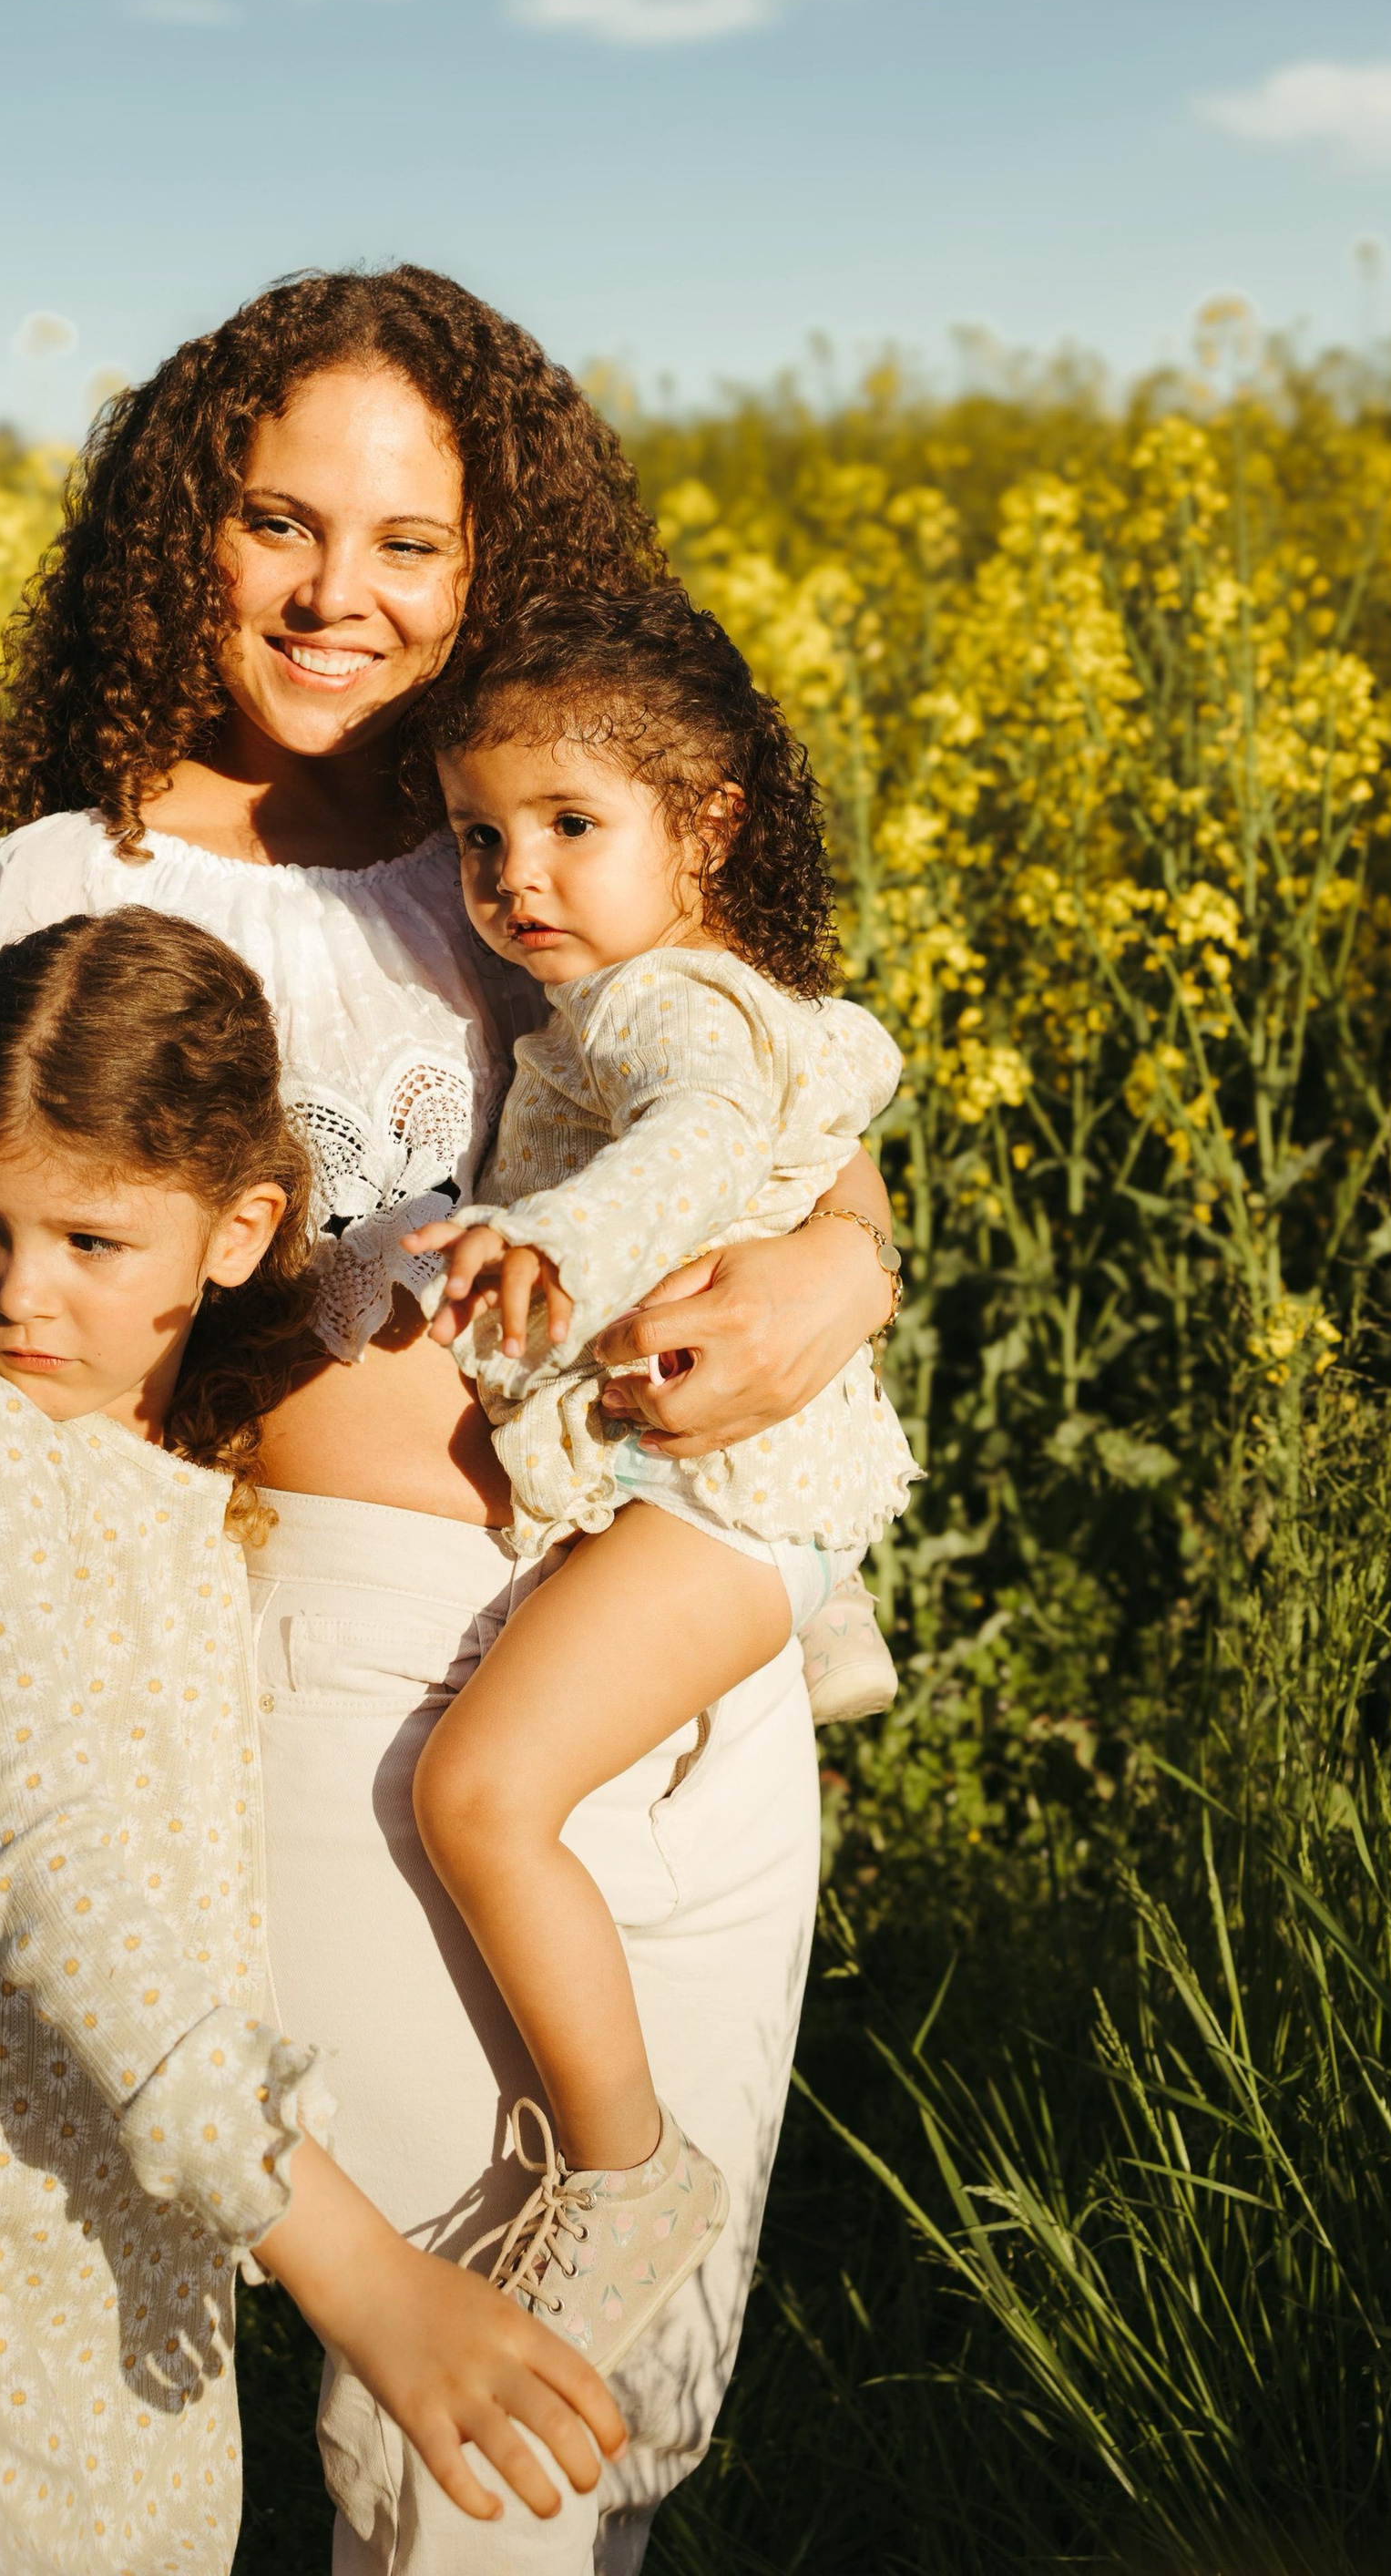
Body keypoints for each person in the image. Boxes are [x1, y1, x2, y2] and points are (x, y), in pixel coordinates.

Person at [0, 264, 902, 2571]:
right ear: (190, 532)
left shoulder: (522, 833)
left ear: (493, 573)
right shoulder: (77, 882)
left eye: (410, 546)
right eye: (281, 524)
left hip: (685, 1630)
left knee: (624, 2409)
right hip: (365, 1686)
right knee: (447, 2441)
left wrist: (848, 1272)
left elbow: (774, 1113)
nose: (339, 596)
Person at [0, 906, 623, 2574]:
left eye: (91, 1241)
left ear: (239, 1234)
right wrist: (356, 2268)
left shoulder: (171, 1497)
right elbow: (62, 1883)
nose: (14, 1297)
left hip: (142, 2275)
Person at [396, 587, 922, 2373]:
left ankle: (624, 2169)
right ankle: (819, 1613)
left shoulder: (662, 1011)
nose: (511, 875)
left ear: (701, 828)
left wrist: (547, 1243)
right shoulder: (681, 990)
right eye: (478, 835)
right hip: (746, 1494)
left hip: (728, 1500)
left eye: (567, 826)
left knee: (479, 1791)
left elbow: (698, 1153)